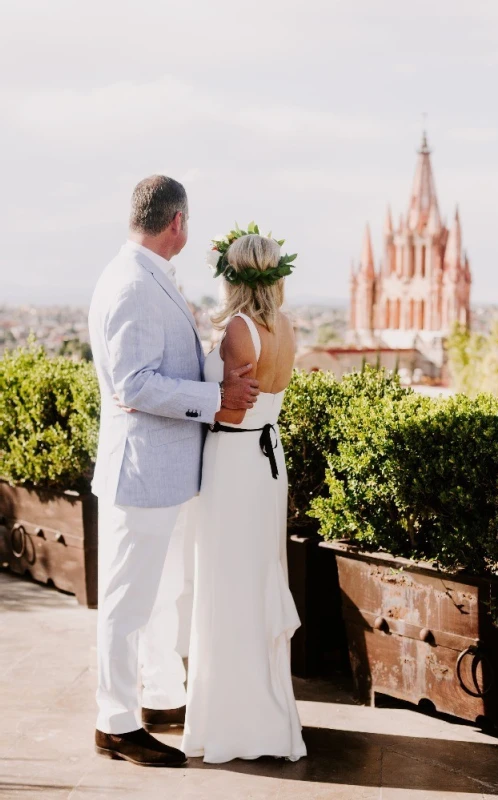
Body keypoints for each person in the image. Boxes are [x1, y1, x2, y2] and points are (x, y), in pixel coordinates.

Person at [88, 176, 259, 768]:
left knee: (163, 594)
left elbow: (167, 366)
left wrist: (217, 376)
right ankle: (114, 722)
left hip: (163, 470)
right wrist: (215, 399)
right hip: (141, 470)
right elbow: (135, 385)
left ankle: (160, 695)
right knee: (128, 599)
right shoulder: (134, 284)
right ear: (177, 223)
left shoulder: (145, 273)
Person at [182, 233, 307, 763]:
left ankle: (232, 724)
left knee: (227, 582)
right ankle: (270, 717)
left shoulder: (239, 329)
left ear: (231, 276)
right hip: (267, 461)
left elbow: (230, 411)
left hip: (234, 461)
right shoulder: (286, 327)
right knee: (256, 577)